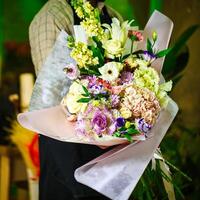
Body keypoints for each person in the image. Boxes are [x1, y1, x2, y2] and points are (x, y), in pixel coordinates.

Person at [29, 0, 122, 199]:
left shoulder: (113, 16)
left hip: (112, 151)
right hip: (68, 152)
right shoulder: (53, 15)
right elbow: (53, 94)